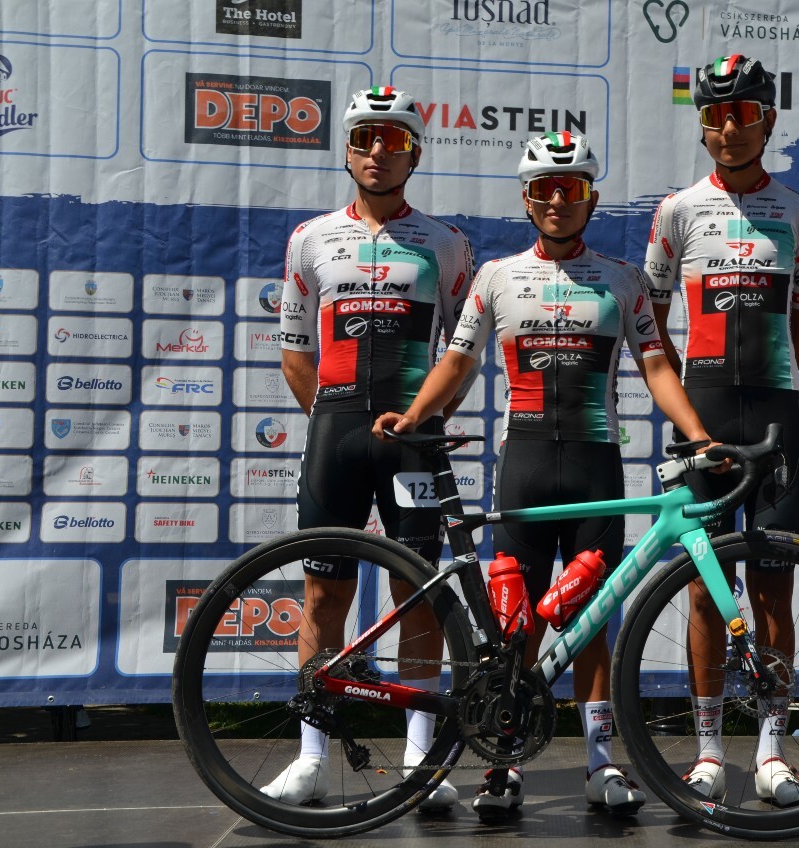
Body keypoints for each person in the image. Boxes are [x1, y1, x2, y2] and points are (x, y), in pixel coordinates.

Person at [374, 132, 718, 822]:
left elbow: (656, 365)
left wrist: (697, 433)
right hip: (524, 466)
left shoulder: (623, 279)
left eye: (571, 188)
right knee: (514, 622)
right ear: (527, 201)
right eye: (544, 190)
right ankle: (503, 763)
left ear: (591, 197)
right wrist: (413, 415)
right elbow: (458, 361)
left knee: (592, 620)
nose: (558, 201)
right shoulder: (497, 277)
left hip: (595, 467)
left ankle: (600, 761)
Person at [264, 86, 474, 813]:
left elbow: (462, 354)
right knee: (324, 593)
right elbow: (296, 351)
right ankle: (311, 758)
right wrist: (335, 421)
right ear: (348, 152)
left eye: (394, 140)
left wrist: (425, 419)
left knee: (419, 592)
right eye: (364, 139)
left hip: (413, 439)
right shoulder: (310, 238)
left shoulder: (447, 244)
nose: (378, 152)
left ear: (415, 152)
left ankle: (420, 757)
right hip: (337, 434)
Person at [642, 54, 799, 807]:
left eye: (743, 114)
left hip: (776, 416)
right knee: (705, 589)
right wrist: (691, 403)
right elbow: (651, 321)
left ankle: (773, 752)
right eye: (715, 116)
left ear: (768, 121)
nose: (729, 129)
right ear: (703, 126)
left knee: (773, 586)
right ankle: (710, 750)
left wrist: (773, 377)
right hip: (706, 418)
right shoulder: (677, 211)